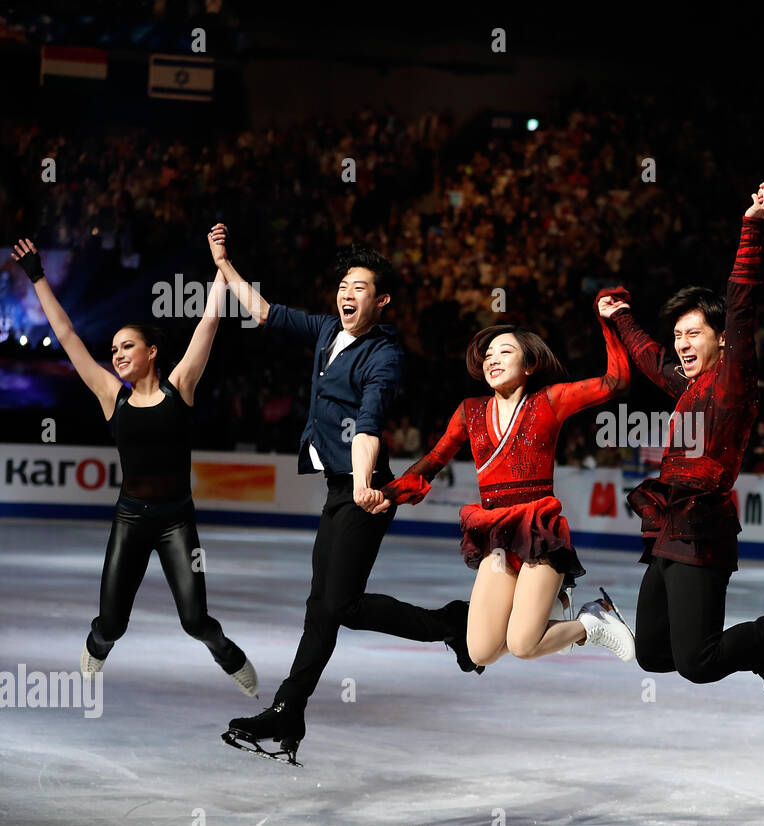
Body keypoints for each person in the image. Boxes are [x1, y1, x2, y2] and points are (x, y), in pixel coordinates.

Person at [207, 224, 473, 766]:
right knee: (320, 608)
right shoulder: (330, 330)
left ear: (382, 299)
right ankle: (288, 709)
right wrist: (224, 264)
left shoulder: (384, 355)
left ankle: (451, 623)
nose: (347, 294)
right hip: (341, 487)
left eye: (360, 288)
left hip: (365, 485)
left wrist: (361, 482)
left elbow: (370, 422)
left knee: (341, 605)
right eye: (344, 285)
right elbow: (265, 312)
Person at [603, 191, 764, 697]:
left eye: (694, 334)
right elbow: (651, 360)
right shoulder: (691, 387)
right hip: (670, 524)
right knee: (653, 654)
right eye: (679, 335)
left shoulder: (732, 381)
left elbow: (740, 300)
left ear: (721, 340)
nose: (683, 344)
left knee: (697, 661)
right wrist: (622, 315)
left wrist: (751, 228)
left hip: (704, 528)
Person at [9, 239, 257, 696]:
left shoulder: (181, 385)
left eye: (127, 347)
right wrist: (38, 276)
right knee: (111, 625)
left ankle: (229, 655)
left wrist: (221, 264)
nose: (118, 354)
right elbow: (67, 336)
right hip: (129, 518)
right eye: (115, 348)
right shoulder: (110, 395)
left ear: (151, 352)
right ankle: (96, 644)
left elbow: (209, 323)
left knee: (195, 620)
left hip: (176, 520)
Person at [375, 309, 635, 666]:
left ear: (529, 365)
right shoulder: (470, 411)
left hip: (538, 531)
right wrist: (388, 494)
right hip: (495, 534)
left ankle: (593, 620)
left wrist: (608, 320)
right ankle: (556, 605)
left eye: (505, 352)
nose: (492, 360)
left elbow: (616, 381)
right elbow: (433, 462)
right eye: (488, 355)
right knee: (480, 652)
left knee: (523, 645)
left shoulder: (549, 401)